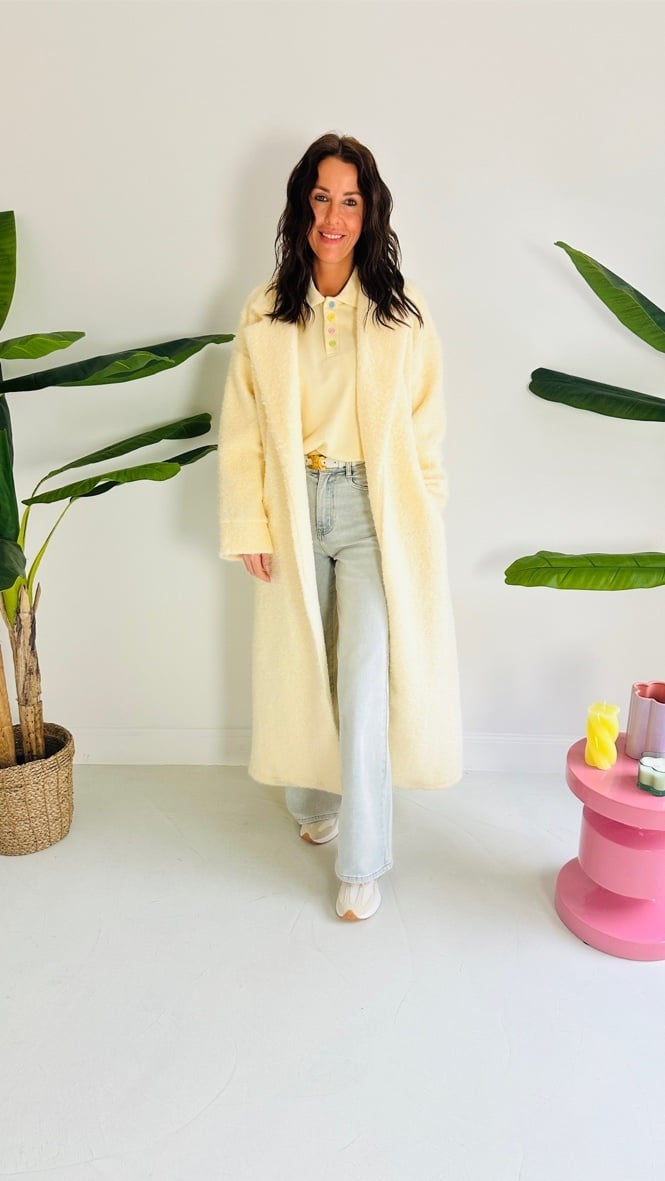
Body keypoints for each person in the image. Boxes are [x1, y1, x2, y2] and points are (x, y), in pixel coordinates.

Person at [218, 132, 462, 922]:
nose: (334, 216)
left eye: (349, 201)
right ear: (301, 205)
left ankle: (362, 860)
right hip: (293, 503)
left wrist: (423, 515)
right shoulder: (265, 308)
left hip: (371, 511)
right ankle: (313, 798)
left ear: (369, 212)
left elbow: (425, 429)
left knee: (361, 676)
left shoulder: (400, 311)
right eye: (321, 197)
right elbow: (242, 429)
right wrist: (250, 522)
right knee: (303, 660)